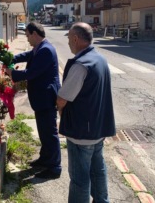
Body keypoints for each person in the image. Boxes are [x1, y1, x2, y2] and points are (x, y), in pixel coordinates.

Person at [56, 22, 116, 203]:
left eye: (68, 38)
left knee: (79, 179)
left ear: (75, 39)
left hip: (81, 132)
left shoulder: (80, 65)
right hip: (98, 129)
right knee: (98, 171)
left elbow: (62, 99)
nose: (68, 42)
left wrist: (61, 115)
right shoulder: (100, 59)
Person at [5, 21, 62, 179]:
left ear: (35, 34)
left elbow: (31, 73)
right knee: (43, 130)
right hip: (41, 97)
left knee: (49, 132)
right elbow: (26, 55)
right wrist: (9, 58)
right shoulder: (40, 48)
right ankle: (45, 159)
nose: (27, 39)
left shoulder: (46, 50)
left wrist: (12, 73)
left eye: (28, 35)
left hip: (46, 97)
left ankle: (54, 167)